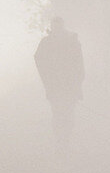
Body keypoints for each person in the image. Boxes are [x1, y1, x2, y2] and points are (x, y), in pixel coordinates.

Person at [34, 17, 84, 153]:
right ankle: (61, 142)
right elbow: (38, 59)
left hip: (67, 86)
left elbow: (79, 64)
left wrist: (78, 83)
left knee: (65, 114)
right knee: (60, 114)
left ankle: (64, 142)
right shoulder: (50, 42)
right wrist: (48, 78)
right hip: (56, 87)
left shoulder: (71, 41)